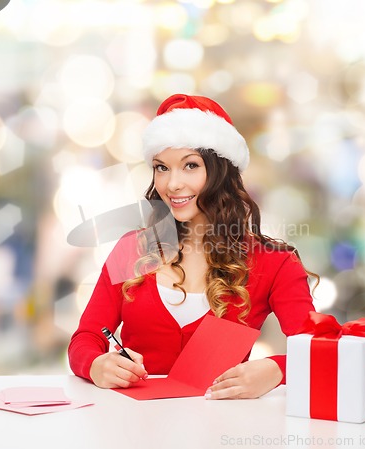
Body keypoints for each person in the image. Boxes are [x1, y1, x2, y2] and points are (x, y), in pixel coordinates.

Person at [68, 94, 316, 399]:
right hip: (135, 431)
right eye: (162, 167)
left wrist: (278, 370)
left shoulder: (274, 263)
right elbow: (85, 338)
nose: (172, 184)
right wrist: (96, 364)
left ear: (221, 171)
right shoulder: (132, 248)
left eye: (190, 166)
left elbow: (319, 350)